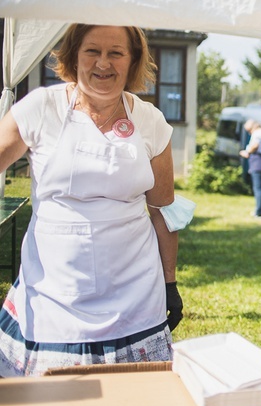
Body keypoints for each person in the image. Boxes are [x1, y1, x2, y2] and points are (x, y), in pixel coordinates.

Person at [0, 24, 188, 376]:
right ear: (73, 56)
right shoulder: (42, 108)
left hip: (134, 295)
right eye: (92, 51)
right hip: (53, 296)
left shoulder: (150, 120)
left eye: (116, 52)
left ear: (132, 61)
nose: (104, 63)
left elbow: (163, 210)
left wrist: (169, 282)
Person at [239, 119, 261, 218]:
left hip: (258, 163)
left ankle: (258, 212)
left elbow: (255, 145)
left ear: (253, 127)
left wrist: (247, 152)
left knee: (258, 188)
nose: (249, 133)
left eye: (249, 130)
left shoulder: (257, 134)